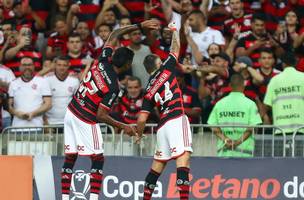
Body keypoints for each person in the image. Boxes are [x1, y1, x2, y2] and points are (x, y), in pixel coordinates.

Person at [61, 19, 159, 200]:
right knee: (98, 159)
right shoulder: (113, 86)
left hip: (71, 110)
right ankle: (93, 198)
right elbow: (101, 114)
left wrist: (139, 26)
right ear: (127, 65)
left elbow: (114, 34)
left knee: (71, 155)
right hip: (84, 118)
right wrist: (123, 126)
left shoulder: (102, 60)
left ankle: (65, 197)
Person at [136, 22, 192, 200]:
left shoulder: (148, 89)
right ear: (158, 63)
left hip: (162, 127)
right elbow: (176, 48)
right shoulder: (166, 69)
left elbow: (142, 117)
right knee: (183, 161)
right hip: (176, 119)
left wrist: (139, 133)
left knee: (157, 166)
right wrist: (175, 31)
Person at [208, 73, 262, 157]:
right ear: (244, 85)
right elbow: (252, 127)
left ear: (230, 85)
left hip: (224, 152)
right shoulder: (250, 104)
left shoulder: (219, 104)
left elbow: (213, 125)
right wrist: (237, 142)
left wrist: (225, 139)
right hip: (245, 153)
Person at [264, 52, 304, 134]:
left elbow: (267, 104)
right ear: (295, 63)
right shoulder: (302, 78)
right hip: (300, 128)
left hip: (280, 129)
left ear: (283, 64)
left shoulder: (274, 80)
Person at [8, 57, 52, 127]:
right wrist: (17, 113)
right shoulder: (13, 83)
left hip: (37, 126)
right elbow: (9, 106)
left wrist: (33, 114)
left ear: (34, 66)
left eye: (29, 65)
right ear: (20, 67)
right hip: (17, 126)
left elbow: (48, 104)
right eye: (24, 65)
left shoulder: (43, 81)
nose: (27, 67)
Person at [44, 56, 79, 125]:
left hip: (69, 122)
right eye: (59, 65)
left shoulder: (74, 81)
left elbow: (78, 102)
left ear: (68, 66)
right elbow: (41, 102)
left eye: (64, 65)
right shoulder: (47, 80)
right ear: (55, 66)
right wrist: (45, 121)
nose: (61, 68)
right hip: (50, 122)